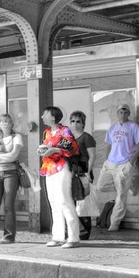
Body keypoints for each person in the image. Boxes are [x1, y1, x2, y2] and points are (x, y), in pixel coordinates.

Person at [39, 106, 81, 249]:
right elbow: (47, 147)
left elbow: (72, 149)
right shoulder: (47, 132)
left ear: (53, 116)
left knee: (64, 201)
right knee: (53, 202)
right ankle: (57, 236)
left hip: (62, 167)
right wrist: (43, 150)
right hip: (49, 168)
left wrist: (54, 149)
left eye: (44, 114)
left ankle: (74, 237)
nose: (42, 117)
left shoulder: (65, 131)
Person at [98, 103, 139, 232]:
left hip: (125, 163)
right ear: (117, 113)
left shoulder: (134, 126)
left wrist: (131, 162)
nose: (122, 115)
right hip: (110, 163)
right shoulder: (112, 127)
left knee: (121, 195)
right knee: (100, 186)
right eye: (120, 112)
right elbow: (108, 145)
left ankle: (115, 223)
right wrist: (106, 160)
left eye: (125, 112)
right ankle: (129, 184)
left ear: (128, 114)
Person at [0, 114, 23, 244]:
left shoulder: (16, 137)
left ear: (11, 124)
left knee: (8, 206)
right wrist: (5, 157)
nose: (4, 124)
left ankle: (9, 236)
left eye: (7, 122)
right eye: (2, 122)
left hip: (11, 173)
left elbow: (14, 156)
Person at [68, 111, 97, 241]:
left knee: (83, 204)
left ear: (83, 123)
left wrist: (88, 173)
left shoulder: (87, 137)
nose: (75, 124)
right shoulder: (68, 137)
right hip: (70, 172)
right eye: (73, 121)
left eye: (78, 121)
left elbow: (92, 156)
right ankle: (73, 230)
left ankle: (84, 232)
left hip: (83, 172)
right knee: (71, 202)